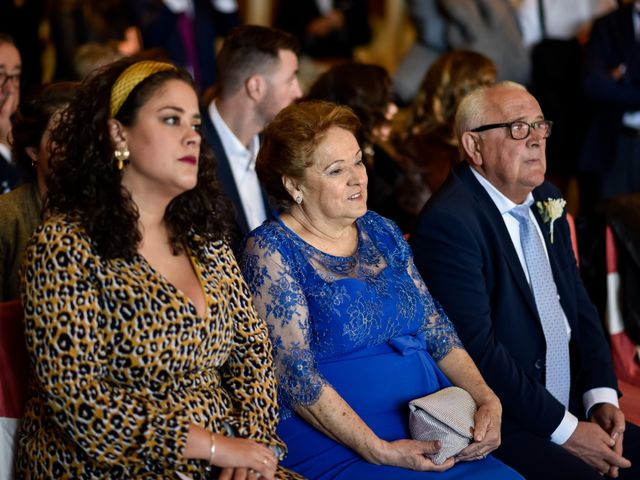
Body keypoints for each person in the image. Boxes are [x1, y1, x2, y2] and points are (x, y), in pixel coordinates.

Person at [15, 57, 301, 480]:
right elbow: (81, 400)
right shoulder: (63, 245)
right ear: (118, 133)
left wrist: (252, 442)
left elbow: (253, 351)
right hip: (104, 465)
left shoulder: (201, 236)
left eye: (196, 125)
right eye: (171, 120)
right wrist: (215, 447)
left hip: (224, 456)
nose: (192, 137)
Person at [239, 100, 524, 480]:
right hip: (340, 443)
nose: (358, 178)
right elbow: (293, 375)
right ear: (294, 185)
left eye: (358, 161)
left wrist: (487, 399)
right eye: (337, 170)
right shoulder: (271, 250)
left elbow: (436, 328)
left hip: (430, 420)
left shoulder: (381, 230)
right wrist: (380, 451)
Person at [411, 81, 640, 480]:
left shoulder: (546, 196)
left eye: (540, 125)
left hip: (570, 400)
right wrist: (567, 432)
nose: (536, 140)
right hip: (508, 419)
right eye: (518, 128)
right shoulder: (450, 222)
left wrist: (600, 397)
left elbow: (579, 306)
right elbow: (478, 350)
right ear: (473, 146)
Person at [200, 24, 302, 246]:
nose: (298, 92)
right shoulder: (193, 150)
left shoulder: (278, 151)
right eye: (290, 79)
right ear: (256, 87)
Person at [393, 50, 496, 228]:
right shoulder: (419, 149)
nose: (494, 96)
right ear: (462, 93)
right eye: (487, 85)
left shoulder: (485, 140)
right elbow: (424, 216)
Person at [305, 62, 406, 229]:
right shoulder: (330, 157)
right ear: (358, 109)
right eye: (382, 102)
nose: (394, 109)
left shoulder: (373, 149)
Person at [0, 81, 76, 302]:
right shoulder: (6, 217)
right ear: (34, 151)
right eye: (62, 136)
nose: (77, 147)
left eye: (82, 135)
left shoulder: (109, 213)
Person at [0, 33, 22, 193]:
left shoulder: (25, 131)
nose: (10, 89)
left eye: (15, 76)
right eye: (0, 75)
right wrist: (5, 146)